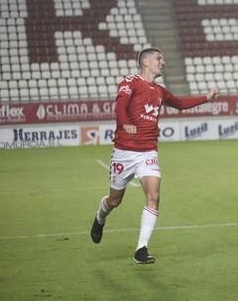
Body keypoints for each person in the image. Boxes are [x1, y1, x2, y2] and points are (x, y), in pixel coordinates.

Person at [89, 48, 219, 263]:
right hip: (124, 152)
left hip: (148, 152)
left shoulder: (160, 91)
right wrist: (126, 123)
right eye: (159, 58)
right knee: (114, 200)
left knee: (154, 195)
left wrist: (206, 97)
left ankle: (141, 249)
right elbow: (120, 105)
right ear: (146, 61)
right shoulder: (131, 81)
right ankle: (100, 217)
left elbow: (179, 104)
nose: (163, 62)